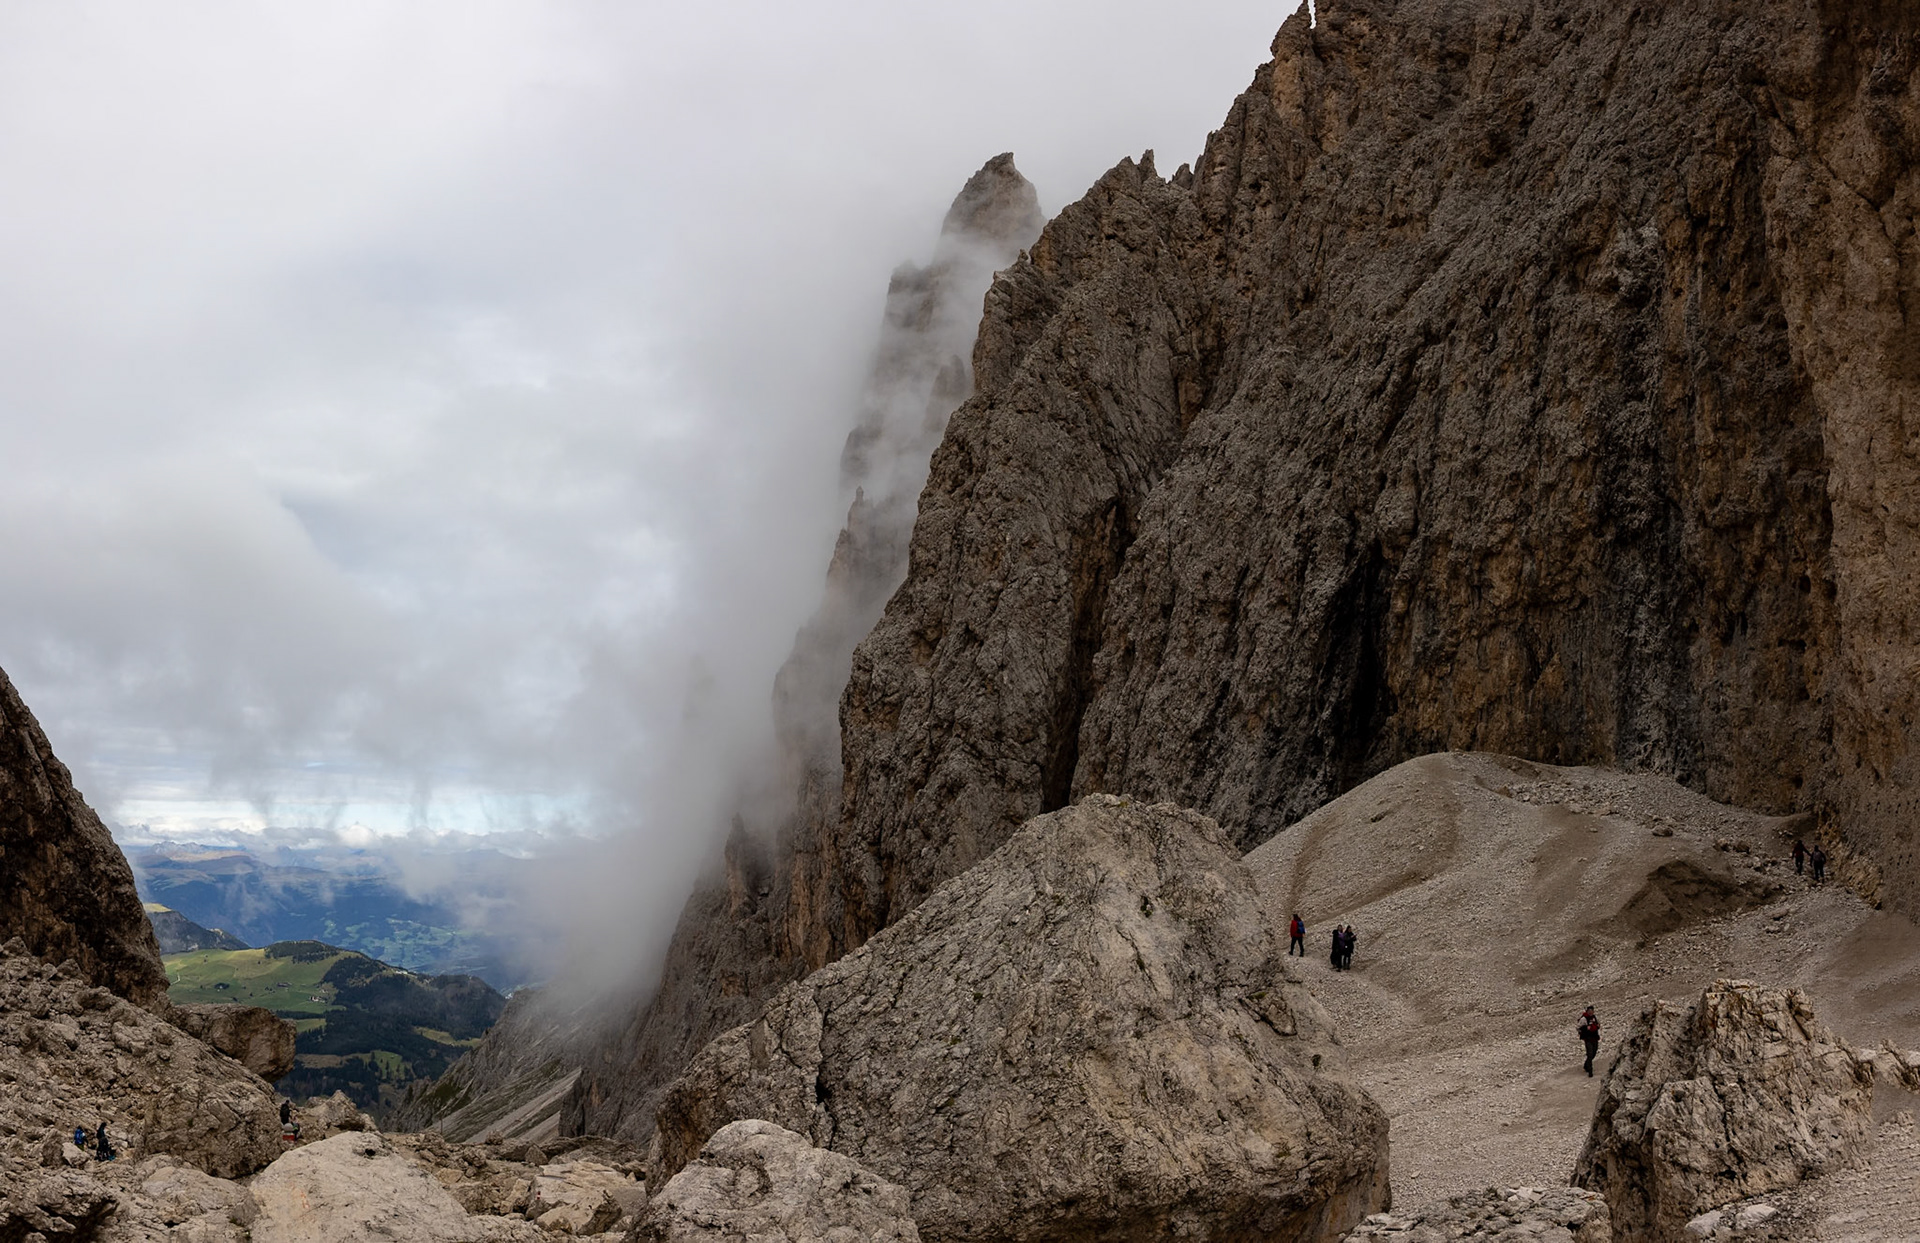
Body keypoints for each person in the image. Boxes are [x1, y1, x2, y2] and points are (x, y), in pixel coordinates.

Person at [1578, 1007, 1602, 1077]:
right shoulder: (1584, 1019)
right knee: (1590, 1053)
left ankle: (1586, 1065)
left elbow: (1598, 1024)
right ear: (1587, 1011)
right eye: (1589, 1011)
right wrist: (1585, 1029)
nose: (1591, 1012)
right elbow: (1578, 1027)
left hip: (1594, 1037)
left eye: (1592, 1011)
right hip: (1588, 1039)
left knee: (1594, 1052)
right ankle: (1590, 1070)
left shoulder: (1594, 1017)